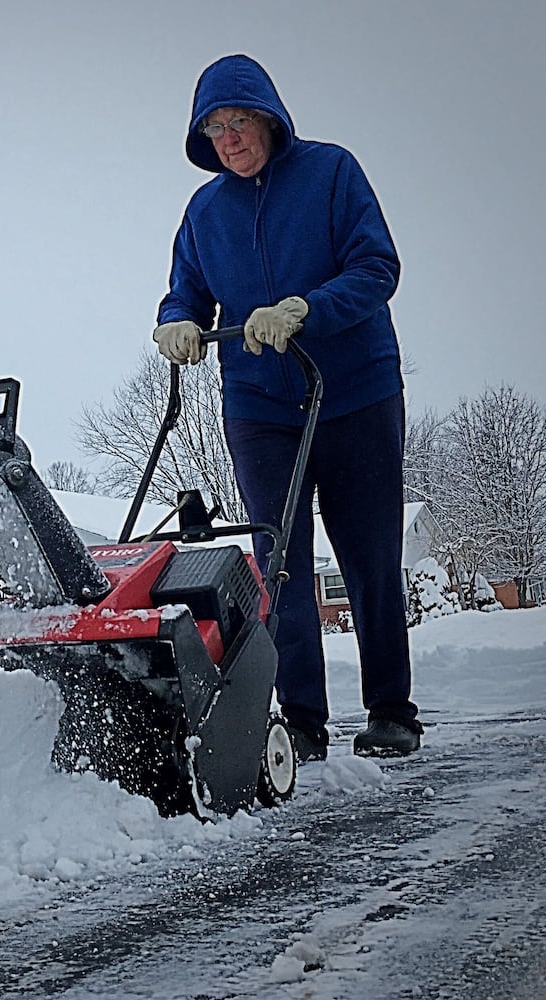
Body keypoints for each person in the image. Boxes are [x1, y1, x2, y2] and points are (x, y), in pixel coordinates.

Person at [152, 54, 422, 760]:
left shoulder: (331, 173)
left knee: (368, 557)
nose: (228, 138)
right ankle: (300, 718)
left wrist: (308, 308)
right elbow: (185, 290)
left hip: (354, 394)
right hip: (259, 406)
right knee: (278, 563)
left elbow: (375, 268)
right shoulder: (204, 211)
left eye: (238, 121)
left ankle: (390, 709)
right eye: (213, 128)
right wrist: (175, 319)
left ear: (267, 119)